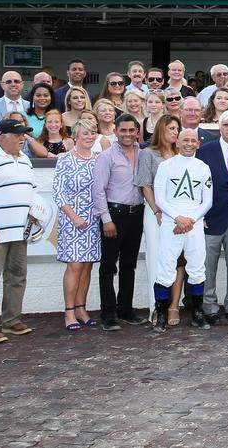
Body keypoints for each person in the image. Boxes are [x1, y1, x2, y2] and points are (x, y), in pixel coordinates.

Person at [150, 128, 213, 332]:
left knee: (197, 268)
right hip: (171, 224)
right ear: (177, 141)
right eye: (185, 139)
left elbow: (208, 201)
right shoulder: (166, 166)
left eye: (193, 140)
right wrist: (178, 218)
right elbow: (159, 198)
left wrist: (191, 220)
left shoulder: (203, 167)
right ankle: (161, 315)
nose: (189, 143)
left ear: (198, 144)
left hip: (194, 224)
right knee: (166, 269)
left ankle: (197, 313)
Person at [0, 119, 35, 345]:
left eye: (23, 134)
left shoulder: (25, 160)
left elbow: (30, 193)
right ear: (1, 135)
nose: (22, 138)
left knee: (17, 276)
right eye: (17, 134)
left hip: (19, 231)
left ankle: (12, 320)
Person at [90, 113, 145, 330]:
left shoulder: (143, 154)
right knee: (108, 266)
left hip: (137, 214)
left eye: (132, 130)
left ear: (137, 132)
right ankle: (108, 314)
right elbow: (98, 191)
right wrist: (106, 219)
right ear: (116, 131)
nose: (128, 134)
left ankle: (125, 310)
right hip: (114, 215)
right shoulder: (106, 157)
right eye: (123, 130)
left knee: (129, 265)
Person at [196, 110, 228, 325]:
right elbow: (197, 185)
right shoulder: (205, 151)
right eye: (226, 125)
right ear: (220, 126)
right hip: (211, 217)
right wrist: (200, 214)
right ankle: (209, 307)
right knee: (209, 266)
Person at [53, 119, 102, 331]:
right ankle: (69, 312)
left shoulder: (99, 159)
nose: (89, 137)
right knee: (75, 266)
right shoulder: (65, 160)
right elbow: (58, 192)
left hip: (93, 221)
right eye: (85, 134)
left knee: (88, 265)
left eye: (92, 133)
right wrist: (74, 217)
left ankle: (82, 309)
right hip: (72, 221)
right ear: (76, 136)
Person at [136, 115, 181, 325]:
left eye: (177, 128)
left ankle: (173, 305)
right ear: (161, 130)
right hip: (156, 214)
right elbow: (145, 185)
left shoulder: (182, 154)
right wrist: (156, 211)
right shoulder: (148, 154)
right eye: (171, 128)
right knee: (156, 259)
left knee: (177, 261)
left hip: (178, 215)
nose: (175, 132)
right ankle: (156, 308)